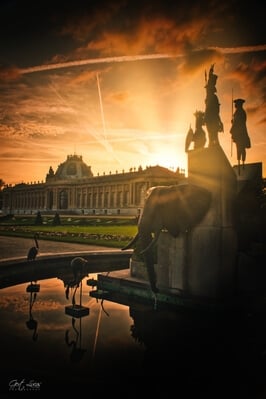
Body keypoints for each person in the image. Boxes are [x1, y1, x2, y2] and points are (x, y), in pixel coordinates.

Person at [204, 65, 224, 146]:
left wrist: (219, 121)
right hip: (209, 118)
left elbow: (217, 111)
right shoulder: (209, 96)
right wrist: (210, 72)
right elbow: (210, 82)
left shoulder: (214, 97)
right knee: (211, 136)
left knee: (214, 136)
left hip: (212, 118)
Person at [230, 98, 251, 174]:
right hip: (239, 133)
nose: (235, 105)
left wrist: (232, 127)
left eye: (236, 104)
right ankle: (240, 164)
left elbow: (238, 122)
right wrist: (233, 122)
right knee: (239, 148)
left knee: (241, 148)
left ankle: (242, 164)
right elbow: (236, 122)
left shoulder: (240, 112)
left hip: (240, 133)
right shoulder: (239, 112)